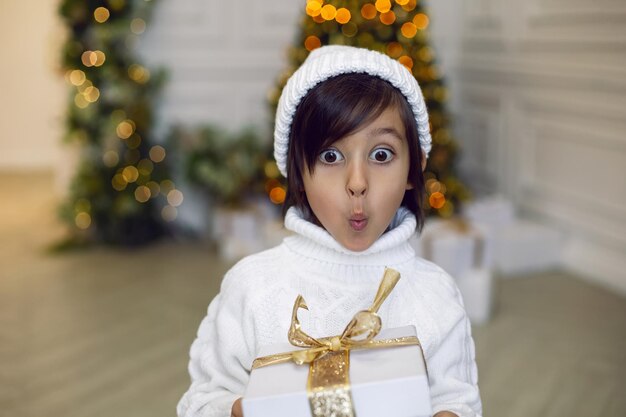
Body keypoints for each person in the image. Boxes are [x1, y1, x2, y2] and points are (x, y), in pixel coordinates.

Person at [177, 45, 482, 417]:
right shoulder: (252, 287)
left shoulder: (434, 295)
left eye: (381, 154)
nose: (357, 182)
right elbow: (204, 400)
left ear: (413, 168)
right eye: (330, 156)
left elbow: (458, 402)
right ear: (298, 174)